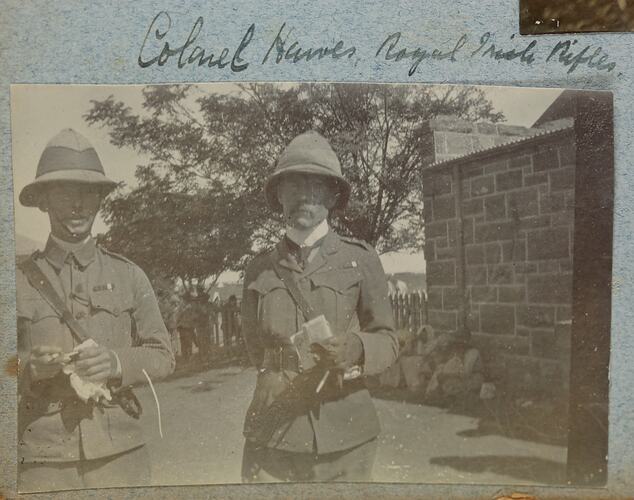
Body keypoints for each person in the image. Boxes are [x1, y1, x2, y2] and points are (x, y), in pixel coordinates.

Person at [16, 128, 175, 491]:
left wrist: (117, 363)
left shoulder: (129, 275)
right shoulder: (15, 281)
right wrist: (28, 368)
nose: (78, 204)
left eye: (88, 192)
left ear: (100, 199)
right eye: (65, 191)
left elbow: (164, 355)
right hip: (43, 457)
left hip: (120, 452)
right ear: (42, 200)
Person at [240, 131, 399, 482]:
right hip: (274, 431)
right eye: (293, 186)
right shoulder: (259, 269)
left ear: (332, 194)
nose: (304, 197)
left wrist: (356, 349)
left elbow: (387, 337)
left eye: (316, 186)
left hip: (345, 431)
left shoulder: (360, 258)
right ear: (279, 195)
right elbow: (254, 347)